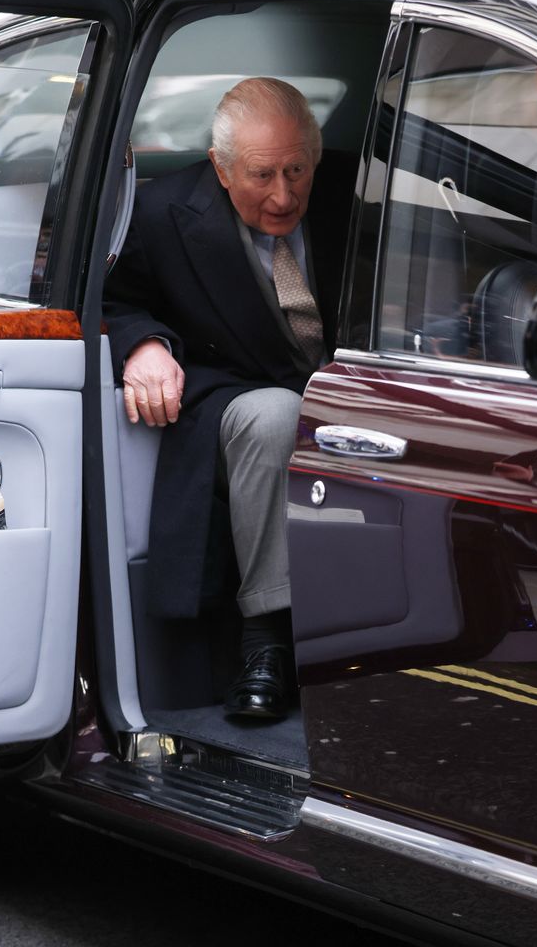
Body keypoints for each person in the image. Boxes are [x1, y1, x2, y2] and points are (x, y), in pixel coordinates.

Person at [104, 78, 349, 721]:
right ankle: (268, 644)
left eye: (298, 170)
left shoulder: (360, 192)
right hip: (237, 393)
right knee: (276, 417)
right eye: (262, 174)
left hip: (352, 389)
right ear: (220, 167)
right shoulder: (163, 214)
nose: (284, 194)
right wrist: (143, 345)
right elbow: (112, 299)